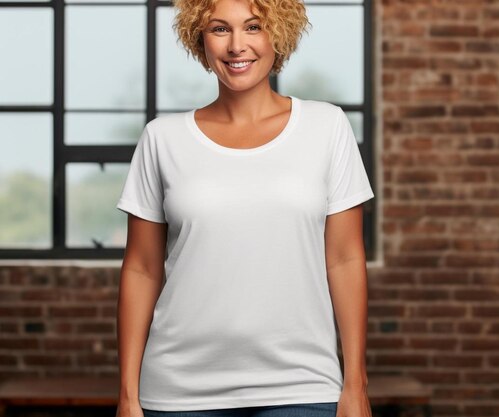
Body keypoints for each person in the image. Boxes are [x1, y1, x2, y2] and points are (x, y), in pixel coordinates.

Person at [115, 0, 375, 416]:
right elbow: (141, 268)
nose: (237, 45)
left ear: (279, 34)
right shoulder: (162, 138)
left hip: (302, 388)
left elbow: (345, 258)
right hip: (178, 393)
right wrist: (128, 396)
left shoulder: (326, 127)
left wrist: (356, 385)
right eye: (220, 29)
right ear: (200, 39)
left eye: (253, 27)